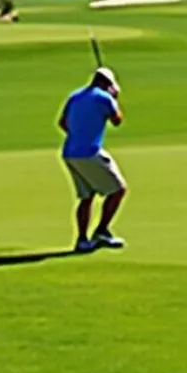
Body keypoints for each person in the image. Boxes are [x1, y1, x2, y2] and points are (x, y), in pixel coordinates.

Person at [59, 67, 128, 253]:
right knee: (118, 190)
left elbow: (62, 123)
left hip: (69, 153)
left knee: (86, 197)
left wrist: (79, 134)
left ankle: (82, 240)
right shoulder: (104, 98)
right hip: (90, 152)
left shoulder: (75, 96)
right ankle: (101, 231)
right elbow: (117, 120)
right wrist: (115, 98)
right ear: (108, 84)